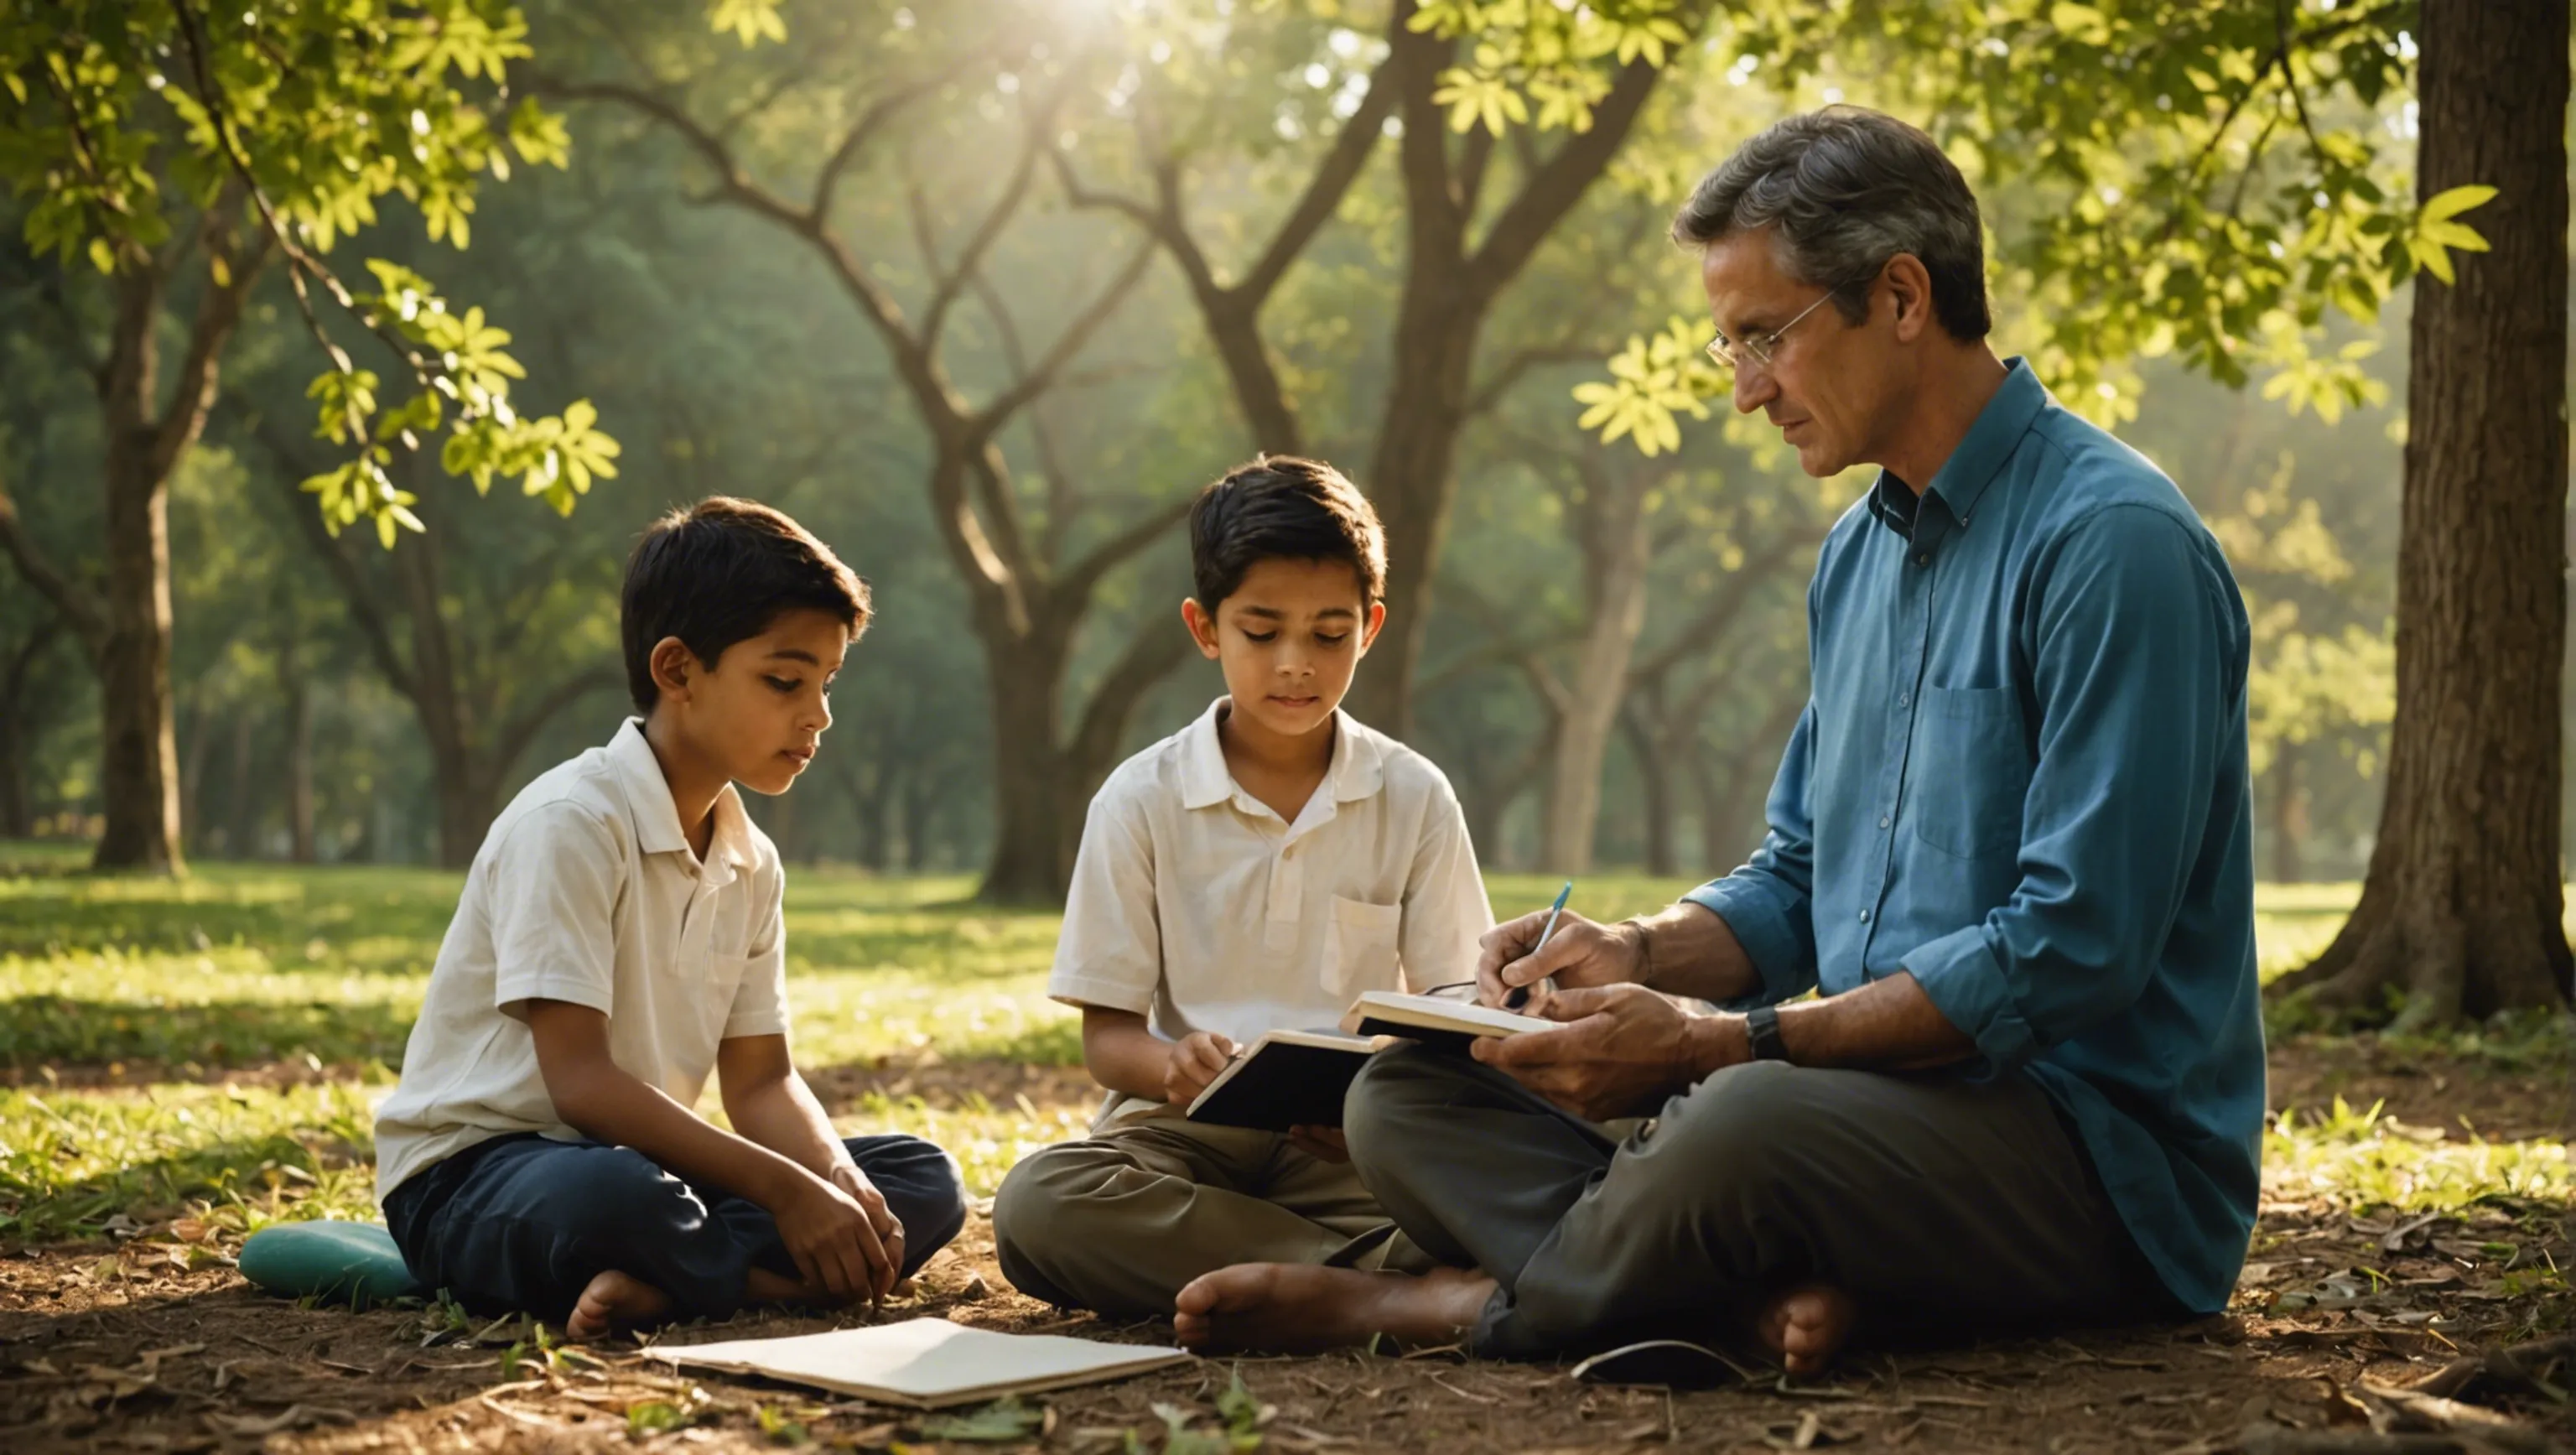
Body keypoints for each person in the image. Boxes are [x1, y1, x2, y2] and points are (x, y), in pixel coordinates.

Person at [1171, 106, 2265, 1374]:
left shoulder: (2115, 545)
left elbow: (2074, 948)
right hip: (1852, 1116)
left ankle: (1444, 1310)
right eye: (1728, 345)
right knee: (1410, 1091)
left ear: (1902, 297)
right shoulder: (1859, 557)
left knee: (1743, 1119)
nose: (1745, 389)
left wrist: (1722, 1041)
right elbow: (1801, 872)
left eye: (1765, 338)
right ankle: (1761, 1293)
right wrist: (1633, 948)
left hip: (2089, 1157)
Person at [374, 497, 967, 1338]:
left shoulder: (751, 860)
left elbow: (761, 1081)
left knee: (917, 1176)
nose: (818, 715)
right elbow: (581, 1083)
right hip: (479, 1174)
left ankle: (676, 1281)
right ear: (679, 670)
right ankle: (768, 1283)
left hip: (644, 1167)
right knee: (612, 1197)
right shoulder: (572, 822)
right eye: (785, 680)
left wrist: (830, 1175)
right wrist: (786, 1191)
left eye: (826, 685)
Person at [991, 456, 1494, 1317]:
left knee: (1507, 1197)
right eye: (1262, 632)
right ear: (1206, 628)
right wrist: (1171, 1064)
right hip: (1183, 1134)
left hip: (1353, 1147)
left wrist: (1379, 1106)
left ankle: (1322, 1276)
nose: (1296, 664)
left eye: (1329, 635)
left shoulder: (1413, 794)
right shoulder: (1140, 798)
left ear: (1370, 628)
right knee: (1041, 1202)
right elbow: (1109, 1038)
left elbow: (1456, 1004)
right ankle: (1370, 1287)